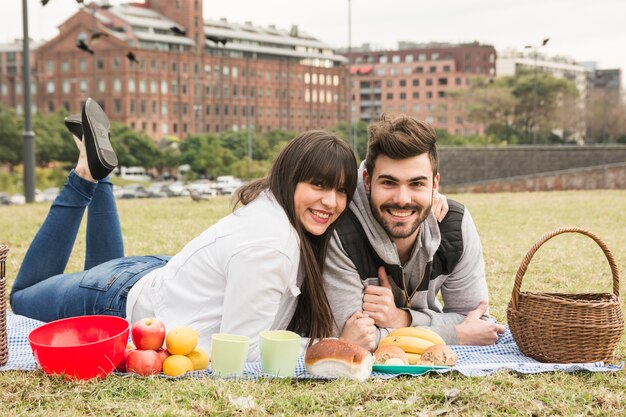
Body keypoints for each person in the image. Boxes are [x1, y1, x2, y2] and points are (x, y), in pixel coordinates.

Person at [10, 98, 375, 360]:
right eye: (318, 185)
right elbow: (241, 346)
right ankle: (86, 176)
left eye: (341, 190)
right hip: (118, 296)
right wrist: (332, 344)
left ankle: (97, 170)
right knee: (21, 298)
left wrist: (433, 207)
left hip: (149, 280)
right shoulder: (270, 246)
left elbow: (365, 192)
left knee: (93, 273)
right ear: (291, 179)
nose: (331, 201)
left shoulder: (277, 208)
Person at [323, 113, 505, 349]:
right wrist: (454, 335)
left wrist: (402, 318)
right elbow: (355, 338)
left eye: (417, 184)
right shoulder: (342, 231)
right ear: (367, 181)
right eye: (388, 182)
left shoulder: (454, 225)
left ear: (434, 184)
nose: (402, 199)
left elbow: (477, 321)